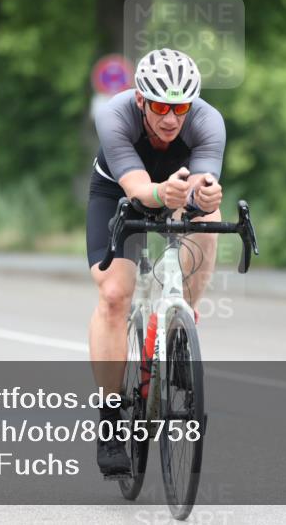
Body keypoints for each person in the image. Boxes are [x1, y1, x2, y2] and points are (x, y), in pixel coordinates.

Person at [86, 48, 225, 476]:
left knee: (211, 218)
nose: (170, 117)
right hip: (119, 194)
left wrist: (206, 194)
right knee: (114, 295)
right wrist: (161, 194)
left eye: (180, 107)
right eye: (161, 106)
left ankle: (181, 321)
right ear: (142, 100)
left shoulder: (208, 120)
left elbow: (202, 181)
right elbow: (137, 187)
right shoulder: (115, 114)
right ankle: (110, 420)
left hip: (176, 190)